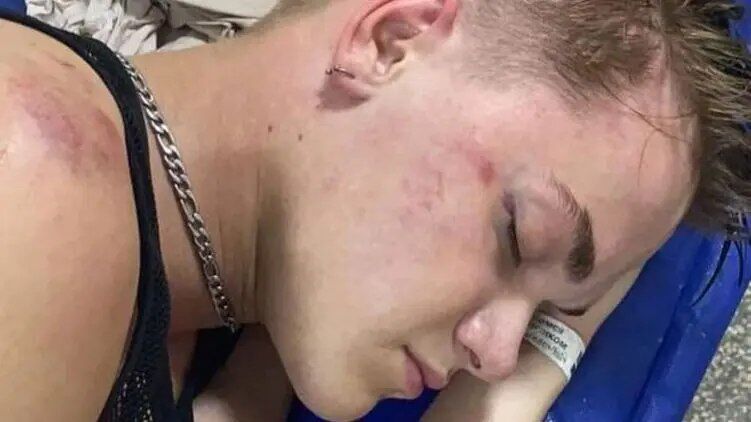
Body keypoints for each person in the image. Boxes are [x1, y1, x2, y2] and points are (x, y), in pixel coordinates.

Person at [0, 0, 748, 421]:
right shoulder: (35, 173)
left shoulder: (200, 312)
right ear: (391, 42)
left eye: (542, 315)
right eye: (519, 238)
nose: (494, 358)